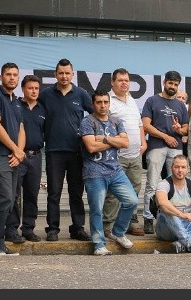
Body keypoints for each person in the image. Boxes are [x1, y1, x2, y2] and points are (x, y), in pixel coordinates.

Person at [39, 58, 94, 242]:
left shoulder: (81, 94)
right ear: (55, 75)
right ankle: (52, 228)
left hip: (76, 151)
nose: (64, 76)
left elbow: (96, 114)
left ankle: (77, 228)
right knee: (54, 192)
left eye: (67, 73)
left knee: (76, 192)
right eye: (60, 73)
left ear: (72, 74)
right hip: (53, 151)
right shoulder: (46, 95)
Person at [80, 90, 139, 256]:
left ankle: (118, 233)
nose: (103, 105)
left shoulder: (116, 121)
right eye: (99, 102)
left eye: (105, 102)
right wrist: (115, 142)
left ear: (109, 103)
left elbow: (126, 143)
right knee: (97, 209)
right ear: (93, 104)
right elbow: (91, 147)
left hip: (115, 171)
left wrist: (104, 139)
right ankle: (99, 244)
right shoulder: (87, 121)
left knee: (132, 201)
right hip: (94, 172)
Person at [0, 62, 26, 255]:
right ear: (1, 77)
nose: (12, 78)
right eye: (8, 74)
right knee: (3, 199)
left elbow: (21, 129)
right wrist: (15, 149)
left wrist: (19, 152)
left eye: (15, 75)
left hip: (14, 157)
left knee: (11, 200)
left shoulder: (16, 101)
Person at [141, 70, 189, 234]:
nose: (173, 87)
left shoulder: (181, 105)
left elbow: (185, 129)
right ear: (164, 82)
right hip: (156, 146)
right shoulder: (152, 100)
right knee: (153, 184)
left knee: (175, 185)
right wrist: (165, 136)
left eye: (176, 84)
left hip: (176, 149)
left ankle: (171, 219)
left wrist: (179, 130)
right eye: (170, 83)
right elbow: (146, 125)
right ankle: (148, 218)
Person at [103, 68, 147, 237]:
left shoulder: (131, 99)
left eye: (127, 80)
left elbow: (139, 124)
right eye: (120, 80)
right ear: (113, 82)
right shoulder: (108, 101)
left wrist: (143, 143)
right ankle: (107, 225)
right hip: (117, 156)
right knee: (114, 192)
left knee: (134, 191)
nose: (124, 83)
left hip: (135, 155)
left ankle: (127, 223)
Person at [5, 74, 45, 243]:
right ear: (23, 89)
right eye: (30, 88)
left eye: (36, 88)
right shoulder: (16, 106)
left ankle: (28, 229)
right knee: (14, 194)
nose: (34, 91)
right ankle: (12, 229)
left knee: (31, 194)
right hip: (17, 156)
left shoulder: (43, 109)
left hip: (35, 157)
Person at [153, 155, 191, 253]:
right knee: (167, 210)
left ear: (187, 169)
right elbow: (162, 202)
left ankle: (181, 244)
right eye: (177, 167)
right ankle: (189, 242)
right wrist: (182, 215)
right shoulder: (164, 184)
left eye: (183, 167)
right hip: (166, 229)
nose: (180, 170)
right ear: (171, 168)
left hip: (186, 225)